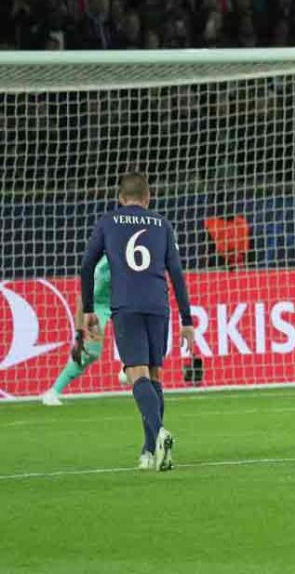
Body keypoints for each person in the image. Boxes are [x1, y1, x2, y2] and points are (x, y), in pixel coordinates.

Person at [80, 172, 196, 472]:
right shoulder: (162, 224)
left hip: (126, 306)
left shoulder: (108, 222)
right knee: (154, 376)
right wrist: (187, 320)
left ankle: (158, 434)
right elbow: (177, 274)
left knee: (136, 374)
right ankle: (148, 451)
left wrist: (89, 309)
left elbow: (87, 264)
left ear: (121, 198)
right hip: (158, 306)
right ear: (148, 198)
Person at [41, 257, 123, 406]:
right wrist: (79, 332)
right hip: (97, 307)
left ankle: (132, 373)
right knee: (89, 354)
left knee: (136, 337)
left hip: (123, 304)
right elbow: (83, 297)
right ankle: (53, 392)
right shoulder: (103, 266)